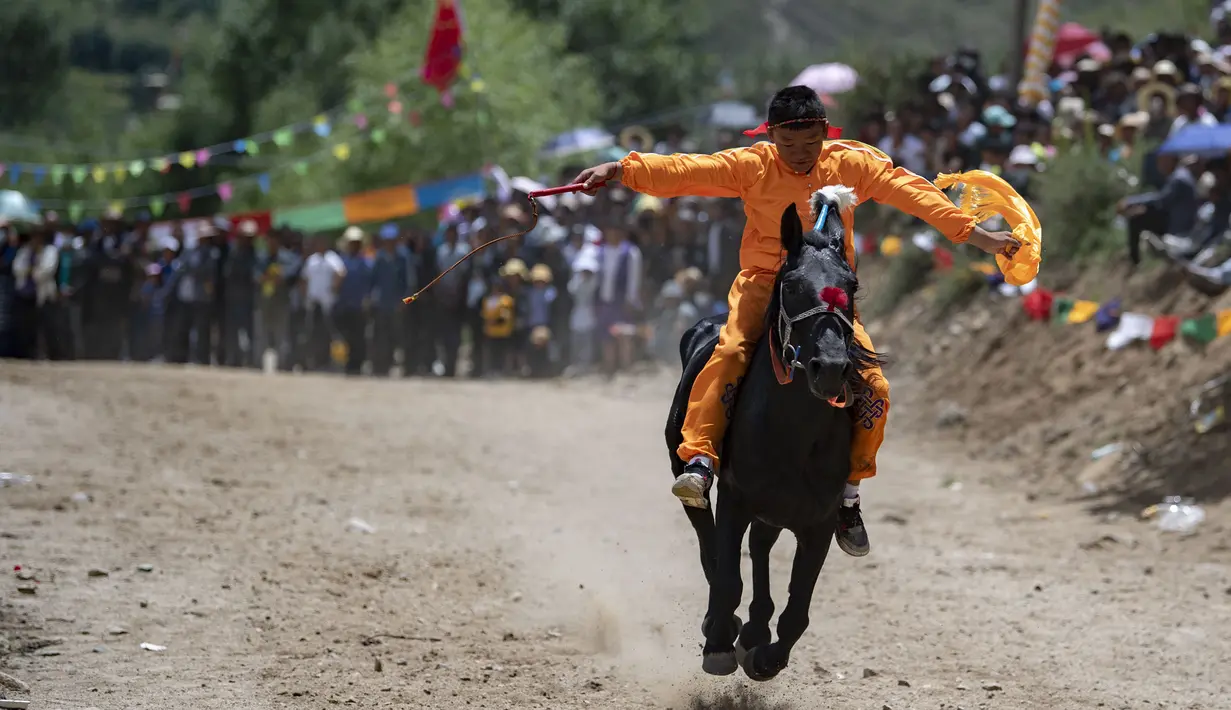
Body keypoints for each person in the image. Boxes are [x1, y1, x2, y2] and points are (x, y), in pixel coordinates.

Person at [573, 85, 1020, 557]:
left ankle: (848, 495)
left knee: (875, 385)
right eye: (790, 146)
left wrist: (977, 236)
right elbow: (687, 169)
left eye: (811, 144)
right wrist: (622, 169)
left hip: (826, 291)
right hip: (765, 282)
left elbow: (913, 193)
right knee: (728, 351)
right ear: (771, 136)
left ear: (826, 132)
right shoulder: (752, 165)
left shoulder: (853, 164)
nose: (802, 155)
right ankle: (701, 460)